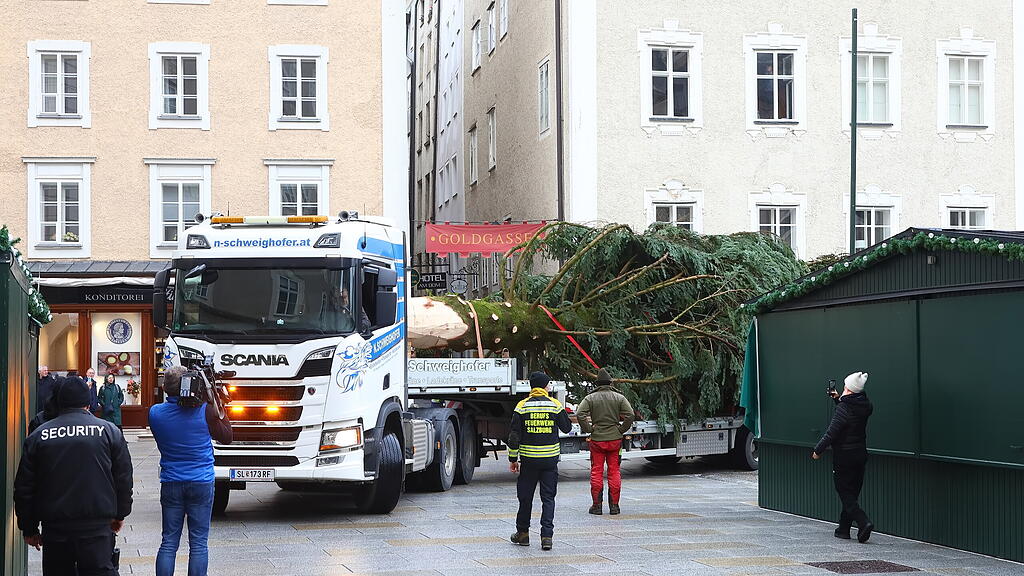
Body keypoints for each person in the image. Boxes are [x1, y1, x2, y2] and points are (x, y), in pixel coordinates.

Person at [14, 376, 133, 576]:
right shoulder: (109, 432)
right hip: (97, 526)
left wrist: (29, 528)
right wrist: (120, 513)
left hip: (56, 528)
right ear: (87, 402)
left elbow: (25, 487)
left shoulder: (39, 436)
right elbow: (123, 478)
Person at [149, 366, 233, 576]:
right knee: (198, 543)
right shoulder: (205, 410)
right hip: (201, 481)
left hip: (171, 481)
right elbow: (227, 436)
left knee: (168, 541)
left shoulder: (155, 413)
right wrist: (215, 399)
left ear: (164, 388)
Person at [508, 371, 572, 551]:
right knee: (548, 499)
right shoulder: (554, 405)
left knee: (525, 498)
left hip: (529, 462)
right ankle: (546, 537)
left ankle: (523, 534)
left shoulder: (521, 406)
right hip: (549, 462)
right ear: (545, 387)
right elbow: (566, 428)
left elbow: (514, 437)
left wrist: (513, 458)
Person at [812, 371, 875, 543]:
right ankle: (843, 529)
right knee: (852, 492)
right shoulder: (865, 405)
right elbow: (851, 412)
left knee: (844, 491)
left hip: (844, 456)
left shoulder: (844, 408)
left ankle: (863, 522)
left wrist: (818, 450)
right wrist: (838, 399)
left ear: (849, 388)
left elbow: (832, 432)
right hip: (860, 454)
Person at [576, 368, 635, 515]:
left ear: (597, 384)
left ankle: (597, 506)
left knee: (596, 471)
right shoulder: (619, 397)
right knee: (614, 471)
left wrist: (589, 429)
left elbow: (580, 414)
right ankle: (614, 506)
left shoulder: (590, 398)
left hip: (597, 440)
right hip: (615, 440)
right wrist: (621, 430)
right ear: (610, 383)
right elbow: (630, 415)